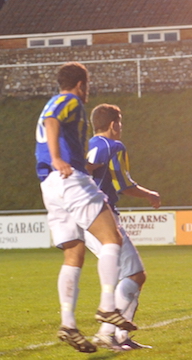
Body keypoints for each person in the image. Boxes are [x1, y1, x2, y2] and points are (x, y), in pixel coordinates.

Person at [35, 62, 136, 353]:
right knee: (111, 238)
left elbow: (49, 122)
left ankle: (68, 323)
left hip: (49, 185)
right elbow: (52, 122)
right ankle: (107, 306)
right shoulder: (69, 100)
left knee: (74, 253)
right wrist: (57, 158)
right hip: (69, 177)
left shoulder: (51, 102)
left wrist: (52, 162)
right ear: (81, 84)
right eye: (87, 85)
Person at [83, 104, 160, 351]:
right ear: (114, 125)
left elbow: (83, 167)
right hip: (102, 217)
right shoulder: (113, 146)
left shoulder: (89, 145)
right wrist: (150, 195)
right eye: (121, 123)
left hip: (82, 218)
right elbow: (124, 185)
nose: (121, 128)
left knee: (122, 277)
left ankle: (122, 337)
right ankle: (107, 334)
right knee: (136, 275)